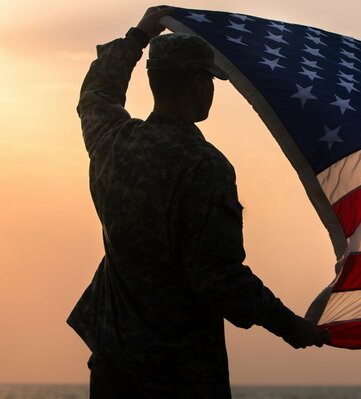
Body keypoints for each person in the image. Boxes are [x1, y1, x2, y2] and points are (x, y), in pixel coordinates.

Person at [68, 6, 324, 398]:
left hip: (113, 367)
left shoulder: (112, 142)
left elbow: (96, 92)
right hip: (180, 376)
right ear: (197, 84)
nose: (213, 89)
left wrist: (139, 36)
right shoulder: (204, 165)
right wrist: (290, 326)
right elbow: (217, 276)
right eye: (211, 79)